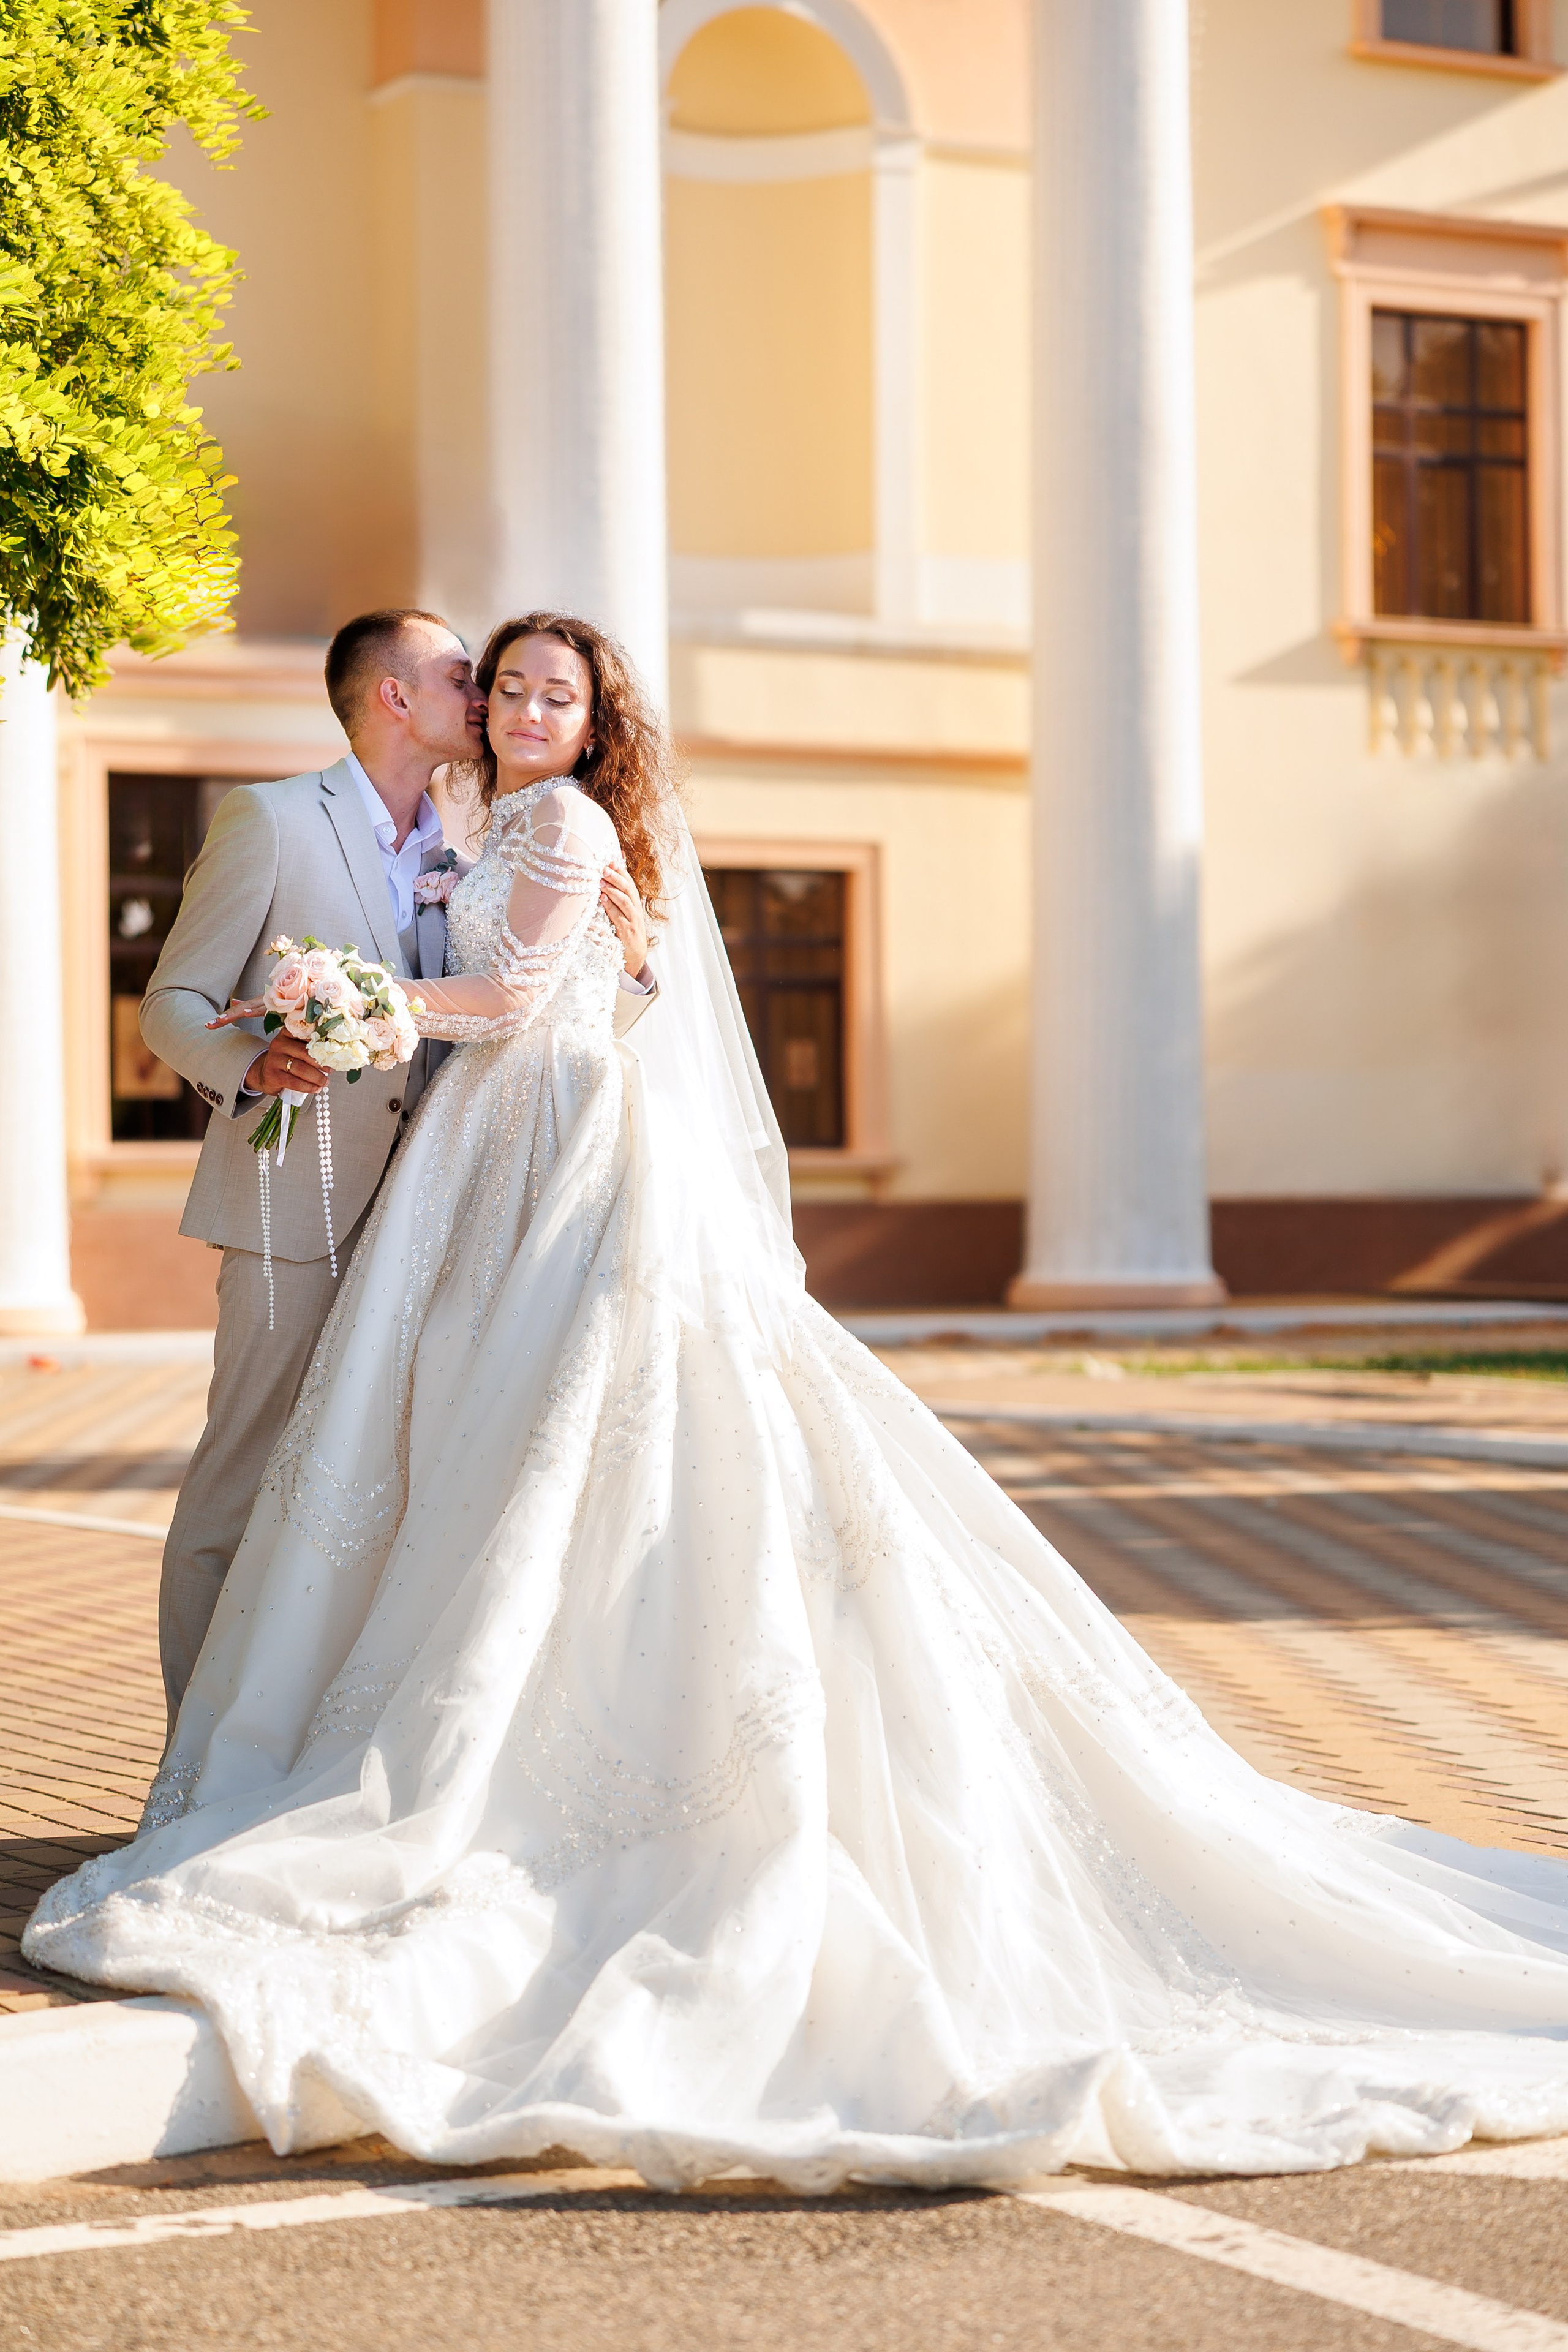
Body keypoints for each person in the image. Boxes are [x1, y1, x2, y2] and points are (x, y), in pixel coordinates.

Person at [28, 612, 1568, 2192]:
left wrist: (390, 1006)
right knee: (381, 1462)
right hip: (437, 1169)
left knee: (547, 1435)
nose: (516, 706)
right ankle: (237, 1759)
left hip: (534, 1142)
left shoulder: (552, 817)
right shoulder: (422, 818)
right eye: (501, 685)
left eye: (551, 691)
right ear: (436, 701)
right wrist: (442, 999)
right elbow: (564, 981)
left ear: (589, 717)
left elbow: (511, 992)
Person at [138, 608, 657, 1730]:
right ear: (394, 696)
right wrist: (253, 1064)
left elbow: (527, 1002)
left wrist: (636, 967)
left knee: (372, 1487)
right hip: (294, 1200)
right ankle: (191, 1764)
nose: (493, 701)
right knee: (244, 1484)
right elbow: (172, 1003)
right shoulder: (272, 820)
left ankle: (301, 1742)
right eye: (470, 678)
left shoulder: (480, 841)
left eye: (524, 689)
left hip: (447, 1203)